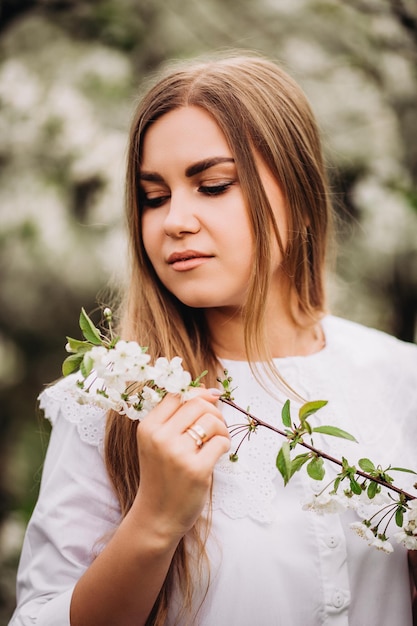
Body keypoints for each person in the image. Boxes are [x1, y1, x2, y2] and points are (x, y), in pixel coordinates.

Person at [10, 52, 417, 626]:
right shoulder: (111, 401)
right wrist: (154, 521)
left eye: (213, 185)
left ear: (297, 197)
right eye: (154, 196)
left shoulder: (401, 377)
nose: (175, 219)